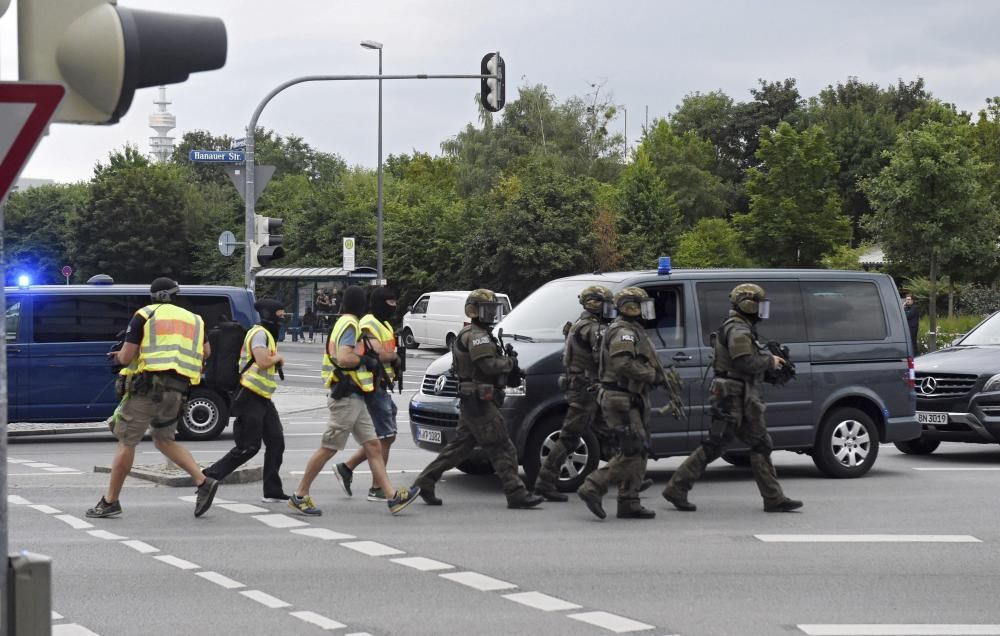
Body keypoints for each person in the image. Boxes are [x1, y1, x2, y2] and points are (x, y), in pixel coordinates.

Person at [662, 283, 802, 513]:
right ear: (748, 304)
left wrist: (768, 367)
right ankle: (677, 488)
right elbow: (743, 362)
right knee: (720, 443)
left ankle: (773, 497)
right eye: (758, 304)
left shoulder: (741, 327)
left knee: (756, 443)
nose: (761, 310)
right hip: (733, 396)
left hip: (740, 395)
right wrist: (770, 361)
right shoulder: (738, 329)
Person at [86, 278, 220, 519]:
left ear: (157, 296)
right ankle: (203, 481)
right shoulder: (195, 320)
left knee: (127, 442)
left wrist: (117, 359)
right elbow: (206, 352)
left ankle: (110, 501)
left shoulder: (145, 314)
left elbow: (127, 357)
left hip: (148, 390)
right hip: (178, 392)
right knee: (164, 441)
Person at [288, 285, 419, 516]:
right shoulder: (349, 324)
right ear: (359, 304)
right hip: (346, 396)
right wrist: (365, 360)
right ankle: (300, 495)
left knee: (374, 446)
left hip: (355, 394)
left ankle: (392, 497)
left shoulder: (345, 322)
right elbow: (344, 357)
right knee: (328, 448)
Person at [411, 289, 543, 509]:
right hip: (480, 402)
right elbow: (487, 365)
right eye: (486, 309)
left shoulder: (480, 333)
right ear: (474, 311)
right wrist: (510, 364)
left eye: (493, 309)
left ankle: (425, 481)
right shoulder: (476, 336)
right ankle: (516, 492)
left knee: (458, 450)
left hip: (476, 400)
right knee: (502, 446)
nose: (491, 314)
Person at [577, 287, 662, 520]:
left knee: (639, 447)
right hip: (620, 398)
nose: (647, 310)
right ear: (630, 307)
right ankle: (593, 486)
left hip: (630, 397)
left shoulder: (632, 330)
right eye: (642, 305)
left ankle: (629, 501)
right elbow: (622, 363)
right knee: (632, 449)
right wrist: (650, 374)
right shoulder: (623, 332)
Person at [534, 285, 615, 502]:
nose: (610, 309)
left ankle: (628, 476)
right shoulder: (593, 328)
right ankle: (544, 483)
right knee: (570, 437)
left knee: (609, 430)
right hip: (585, 389)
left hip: (584, 386)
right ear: (594, 304)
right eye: (605, 304)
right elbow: (602, 358)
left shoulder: (578, 324)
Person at [203, 298, 288, 503]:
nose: (282, 317)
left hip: (263, 397)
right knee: (248, 447)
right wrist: (278, 358)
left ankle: (272, 490)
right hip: (250, 395)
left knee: (276, 443)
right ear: (269, 314)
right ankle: (209, 477)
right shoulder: (259, 333)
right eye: (280, 313)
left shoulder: (266, 334)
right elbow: (262, 361)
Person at [334, 287, 402, 501]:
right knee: (384, 436)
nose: (393, 307)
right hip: (372, 386)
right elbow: (377, 352)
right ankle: (377, 488)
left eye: (395, 303)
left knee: (383, 437)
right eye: (389, 303)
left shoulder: (384, 323)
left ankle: (348, 467)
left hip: (381, 385)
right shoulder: (368, 323)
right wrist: (393, 357)